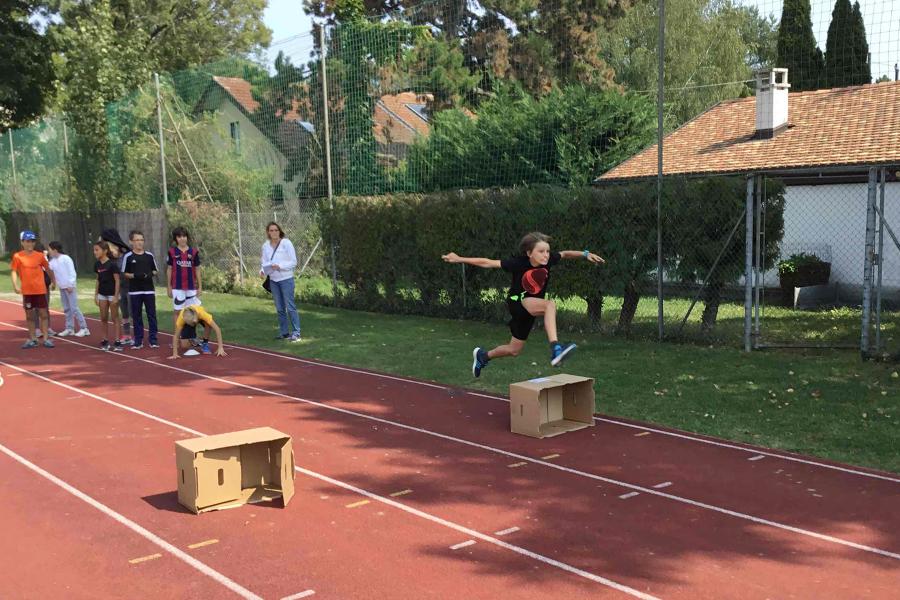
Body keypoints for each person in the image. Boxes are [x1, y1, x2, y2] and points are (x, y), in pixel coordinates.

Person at [442, 232, 605, 377]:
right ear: (529, 253)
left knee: (514, 350)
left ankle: (483, 356)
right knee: (549, 305)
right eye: (541, 251)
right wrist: (459, 259)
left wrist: (585, 254)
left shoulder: (548, 260)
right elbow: (488, 262)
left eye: (547, 251)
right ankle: (556, 349)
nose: (546, 255)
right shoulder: (518, 263)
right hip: (518, 302)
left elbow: (565, 254)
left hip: (530, 308)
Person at [10, 230, 56, 349]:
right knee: (30, 315)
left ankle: (46, 338)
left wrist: (53, 281)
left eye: (32, 241)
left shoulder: (39, 256)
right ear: (22, 242)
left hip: (40, 290)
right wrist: (15, 285)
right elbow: (14, 271)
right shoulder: (17, 256)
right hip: (27, 291)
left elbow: (48, 269)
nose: (30, 244)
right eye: (28, 241)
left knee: (43, 314)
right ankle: (33, 339)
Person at [259, 221, 301, 342]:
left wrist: (280, 266)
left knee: (290, 306)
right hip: (273, 280)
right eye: (271, 230)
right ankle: (284, 333)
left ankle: (296, 333)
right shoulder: (265, 245)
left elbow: (294, 262)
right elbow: (264, 262)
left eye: (276, 230)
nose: (274, 232)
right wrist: (262, 271)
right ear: (268, 232)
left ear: (280, 231)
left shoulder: (286, 243)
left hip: (286, 279)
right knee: (280, 308)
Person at [122, 230, 159, 350]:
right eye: (137, 240)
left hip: (149, 291)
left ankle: (153, 340)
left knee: (151, 315)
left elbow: (155, 270)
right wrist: (135, 276)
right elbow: (125, 273)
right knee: (137, 316)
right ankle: (138, 340)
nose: (140, 242)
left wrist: (149, 274)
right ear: (131, 242)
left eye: (141, 240)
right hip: (135, 291)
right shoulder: (128, 257)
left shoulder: (149, 256)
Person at [47, 241, 90, 337]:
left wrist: (71, 284)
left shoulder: (66, 258)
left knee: (74, 307)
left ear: (55, 250)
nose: (48, 251)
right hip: (62, 287)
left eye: (49, 249)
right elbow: (48, 268)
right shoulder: (53, 261)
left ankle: (84, 328)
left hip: (69, 287)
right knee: (67, 308)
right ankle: (69, 328)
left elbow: (72, 272)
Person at [100, 229, 133, 346]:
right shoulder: (108, 256)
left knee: (132, 311)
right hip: (120, 288)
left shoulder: (125, 254)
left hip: (130, 286)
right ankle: (127, 335)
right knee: (124, 311)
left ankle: (140, 335)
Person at [165, 226, 202, 331]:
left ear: (187, 237)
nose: (182, 238)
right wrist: (169, 286)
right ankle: (177, 336)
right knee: (178, 311)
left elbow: (198, 269)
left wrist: (200, 286)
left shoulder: (194, 252)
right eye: (179, 236)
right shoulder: (172, 252)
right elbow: (169, 269)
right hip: (177, 287)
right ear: (175, 239)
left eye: (184, 236)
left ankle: (191, 336)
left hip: (191, 287)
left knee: (194, 312)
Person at [93, 241, 122, 352]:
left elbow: (117, 280)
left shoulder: (112, 264)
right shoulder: (97, 264)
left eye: (97, 250)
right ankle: (104, 340)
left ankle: (117, 341)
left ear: (104, 251)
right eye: (94, 250)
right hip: (102, 294)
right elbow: (98, 280)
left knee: (115, 317)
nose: (95, 252)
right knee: (103, 318)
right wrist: (96, 295)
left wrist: (115, 296)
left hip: (112, 294)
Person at [30, 241, 57, 337]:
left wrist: (53, 282)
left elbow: (49, 270)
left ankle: (48, 328)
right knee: (36, 308)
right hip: (34, 287)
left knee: (45, 307)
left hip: (44, 286)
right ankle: (37, 329)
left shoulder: (45, 259)